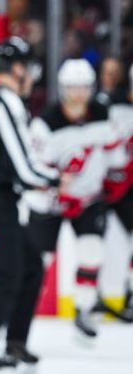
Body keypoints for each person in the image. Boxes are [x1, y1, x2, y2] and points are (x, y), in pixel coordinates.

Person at [0, 37, 60, 368]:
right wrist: (56, 179)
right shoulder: (4, 103)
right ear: (17, 69)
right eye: (28, 67)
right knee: (6, 271)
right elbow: (23, 165)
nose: (32, 74)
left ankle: (15, 342)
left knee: (30, 266)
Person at [24, 59, 116, 340]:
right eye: (73, 88)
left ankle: (83, 310)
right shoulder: (45, 124)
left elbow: (110, 152)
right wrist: (55, 188)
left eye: (84, 88)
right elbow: (34, 168)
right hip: (51, 202)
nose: (78, 94)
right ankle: (18, 316)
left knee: (93, 251)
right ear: (63, 89)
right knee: (36, 263)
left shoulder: (102, 114)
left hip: (87, 199)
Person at [92, 62, 133, 322]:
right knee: (93, 241)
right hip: (103, 184)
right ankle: (91, 298)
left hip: (128, 186)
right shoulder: (109, 105)